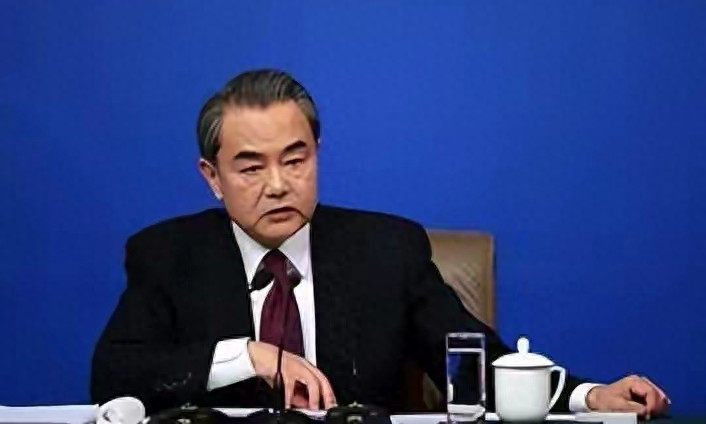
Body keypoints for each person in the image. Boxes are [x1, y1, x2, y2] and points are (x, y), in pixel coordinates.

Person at [91, 69, 669, 419]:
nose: (278, 184)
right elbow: (114, 376)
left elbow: (473, 363)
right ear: (212, 178)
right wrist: (248, 355)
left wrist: (590, 397)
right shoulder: (168, 255)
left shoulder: (387, 250)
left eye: (295, 159)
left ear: (318, 155)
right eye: (250, 168)